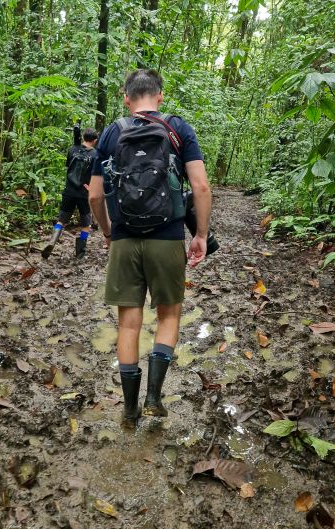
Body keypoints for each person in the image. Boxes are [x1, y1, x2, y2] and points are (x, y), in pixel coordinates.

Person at [89, 69, 212, 426]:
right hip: (168, 237)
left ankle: (129, 409)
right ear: (160, 96)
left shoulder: (113, 132)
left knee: (128, 325)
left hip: (125, 239)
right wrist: (200, 234)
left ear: (126, 98)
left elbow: (95, 194)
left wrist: (108, 231)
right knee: (168, 316)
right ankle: (155, 395)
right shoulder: (178, 128)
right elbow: (201, 187)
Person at [42, 126, 98, 260]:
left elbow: (69, 166)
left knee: (61, 220)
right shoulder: (95, 155)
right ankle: (80, 253)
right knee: (85, 224)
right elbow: (96, 175)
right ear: (95, 140)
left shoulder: (73, 149)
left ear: (84, 137)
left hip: (69, 191)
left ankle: (52, 241)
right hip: (84, 193)